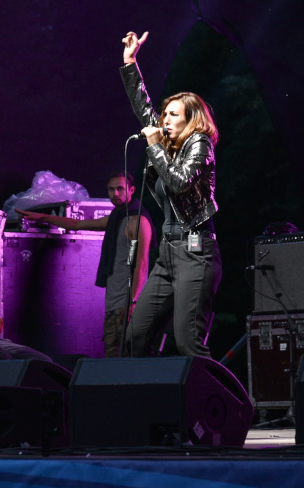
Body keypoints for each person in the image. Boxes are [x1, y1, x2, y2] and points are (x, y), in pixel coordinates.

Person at [119, 30, 222, 357]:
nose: (164, 120)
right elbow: (144, 109)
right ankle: (152, 389)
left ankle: (217, 390)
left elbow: (179, 182)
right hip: (167, 255)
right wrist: (130, 63)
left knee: (188, 342)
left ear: (191, 121)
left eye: (173, 114)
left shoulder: (200, 144)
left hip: (196, 252)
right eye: (164, 114)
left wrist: (153, 145)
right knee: (135, 338)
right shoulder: (166, 144)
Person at [16, 172, 155, 357]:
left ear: (131, 190)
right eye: (111, 189)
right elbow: (77, 225)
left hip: (129, 303)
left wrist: (133, 301)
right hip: (113, 303)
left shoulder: (138, 222)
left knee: (134, 356)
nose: (115, 193)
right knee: (113, 357)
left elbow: (141, 264)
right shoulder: (116, 218)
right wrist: (42, 217)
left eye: (120, 189)